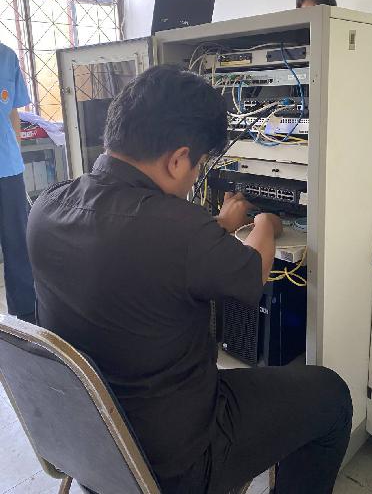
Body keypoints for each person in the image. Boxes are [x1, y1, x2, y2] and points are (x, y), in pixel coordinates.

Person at [27, 65, 352, 494]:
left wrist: (219, 224)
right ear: (178, 159)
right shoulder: (181, 230)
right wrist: (266, 224)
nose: (196, 176)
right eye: (197, 167)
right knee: (331, 395)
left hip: (93, 445)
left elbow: (145, 246)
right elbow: (254, 270)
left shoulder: (47, 206)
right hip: (177, 460)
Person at [0, 43, 36, 323]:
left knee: (18, 246)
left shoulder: (7, 57)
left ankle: (26, 319)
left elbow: (13, 111)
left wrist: (15, 147)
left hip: (8, 168)